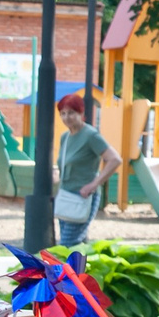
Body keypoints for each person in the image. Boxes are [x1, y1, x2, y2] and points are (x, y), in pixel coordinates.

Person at [52, 91, 122, 246]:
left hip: (83, 196)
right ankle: (82, 270)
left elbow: (115, 159)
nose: (66, 117)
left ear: (81, 112)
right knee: (76, 245)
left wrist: (94, 184)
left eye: (71, 113)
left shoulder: (90, 135)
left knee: (68, 244)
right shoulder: (66, 136)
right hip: (66, 195)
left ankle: (69, 271)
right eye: (63, 113)